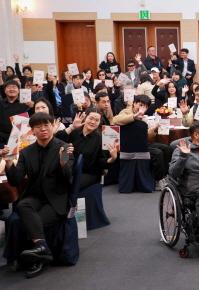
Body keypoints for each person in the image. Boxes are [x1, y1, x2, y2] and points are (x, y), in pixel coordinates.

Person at [3, 113, 75, 278]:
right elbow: (15, 180)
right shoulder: (26, 152)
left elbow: (68, 178)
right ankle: (44, 249)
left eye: (46, 125)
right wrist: (8, 161)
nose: (43, 129)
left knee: (31, 222)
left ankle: (36, 261)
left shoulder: (64, 146)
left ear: (52, 126)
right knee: (22, 205)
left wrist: (63, 163)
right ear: (32, 130)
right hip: (35, 197)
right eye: (38, 127)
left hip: (56, 199)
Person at [56, 108, 118, 189]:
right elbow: (57, 140)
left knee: (71, 183)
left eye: (96, 120)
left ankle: (71, 201)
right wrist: (72, 127)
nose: (92, 122)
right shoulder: (75, 132)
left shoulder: (101, 139)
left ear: (99, 122)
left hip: (89, 173)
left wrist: (112, 158)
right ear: (85, 118)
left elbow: (101, 162)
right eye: (91, 118)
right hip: (69, 169)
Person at [0, 80, 31, 145]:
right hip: (2, 138)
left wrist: (32, 106)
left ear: (19, 90)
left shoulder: (25, 104)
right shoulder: (1, 104)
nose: (11, 89)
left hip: (20, 138)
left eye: (14, 87)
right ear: (5, 90)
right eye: (9, 87)